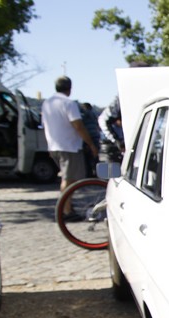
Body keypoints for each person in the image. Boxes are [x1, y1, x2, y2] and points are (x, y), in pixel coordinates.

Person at [41, 76, 98, 220]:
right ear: (70, 88)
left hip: (54, 146)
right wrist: (90, 144)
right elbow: (78, 125)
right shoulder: (68, 103)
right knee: (69, 180)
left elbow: (45, 125)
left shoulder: (47, 103)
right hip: (69, 146)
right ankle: (66, 211)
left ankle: (67, 206)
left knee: (67, 178)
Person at [79, 102, 101, 176]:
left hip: (88, 138)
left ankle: (89, 175)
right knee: (95, 157)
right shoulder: (94, 115)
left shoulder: (83, 115)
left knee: (87, 158)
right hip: (96, 137)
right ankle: (97, 174)